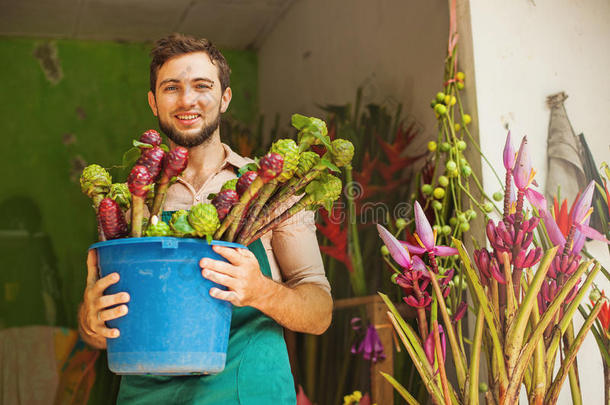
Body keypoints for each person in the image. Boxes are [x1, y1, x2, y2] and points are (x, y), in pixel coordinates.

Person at [78, 33, 333, 404]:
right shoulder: (130, 200)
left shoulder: (272, 190)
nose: (187, 100)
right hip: (148, 396)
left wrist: (262, 290)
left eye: (202, 86)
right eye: (171, 88)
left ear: (225, 97)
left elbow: (319, 312)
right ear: (153, 102)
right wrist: (91, 323)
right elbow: (101, 328)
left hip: (249, 392)